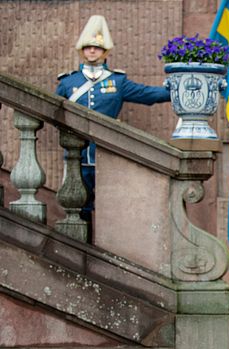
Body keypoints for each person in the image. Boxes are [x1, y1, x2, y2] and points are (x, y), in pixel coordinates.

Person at [56, 15, 171, 222]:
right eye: (88, 47)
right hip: (77, 157)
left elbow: (149, 95)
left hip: (107, 155)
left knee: (110, 212)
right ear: (82, 50)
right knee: (77, 211)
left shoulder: (117, 81)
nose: (92, 51)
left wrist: (177, 88)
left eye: (97, 47)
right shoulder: (67, 81)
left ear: (105, 51)